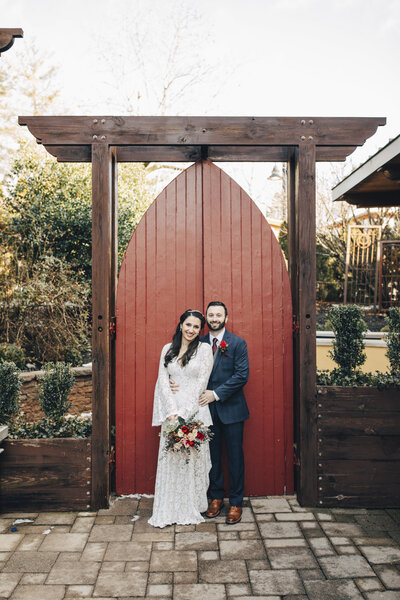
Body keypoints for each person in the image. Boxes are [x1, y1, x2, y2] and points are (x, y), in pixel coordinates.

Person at [171, 301, 249, 524]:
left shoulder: (237, 343)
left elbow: (241, 376)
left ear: (226, 317)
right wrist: (171, 381)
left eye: (218, 315)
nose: (214, 318)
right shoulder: (197, 342)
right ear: (206, 317)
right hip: (204, 412)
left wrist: (215, 394)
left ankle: (235, 502)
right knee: (211, 457)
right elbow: (180, 367)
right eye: (211, 315)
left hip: (232, 409)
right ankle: (215, 498)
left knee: (235, 457)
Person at [148, 309, 213, 528]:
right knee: (172, 461)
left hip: (194, 413)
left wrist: (186, 415)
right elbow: (163, 381)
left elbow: (201, 383)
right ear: (181, 325)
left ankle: (191, 505)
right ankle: (169, 507)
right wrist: (172, 413)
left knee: (192, 460)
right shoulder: (168, 349)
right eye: (188, 325)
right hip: (172, 414)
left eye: (196, 327)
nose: (191, 330)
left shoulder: (204, 350)